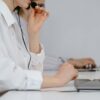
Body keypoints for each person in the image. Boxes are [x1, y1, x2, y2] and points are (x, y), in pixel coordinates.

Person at [0, 0, 78, 93]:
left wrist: (34, 34)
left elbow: (31, 74)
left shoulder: (11, 21)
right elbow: (5, 76)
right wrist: (57, 79)